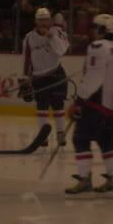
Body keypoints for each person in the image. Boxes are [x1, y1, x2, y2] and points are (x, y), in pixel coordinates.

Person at [66, 14, 113, 194]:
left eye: (94, 27)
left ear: (103, 30)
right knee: (107, 141)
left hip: (95, 102)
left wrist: (79, 101)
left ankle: (85, 179)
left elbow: (94, 77)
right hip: (111, 103)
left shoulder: (97, 47)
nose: (91, 30)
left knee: (80, 139)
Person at [20, 8, 70, 147]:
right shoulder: (29, 37)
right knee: (41, 107)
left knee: (58, 105)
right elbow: (27, 59)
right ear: (35, 21)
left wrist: (50, 37)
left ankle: (60, 133)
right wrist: (25, 77)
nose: (43, 23)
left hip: (56, 73)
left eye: (46, 20)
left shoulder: (56, 32)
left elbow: (62, 50)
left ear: (50, 20)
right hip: (38, 77)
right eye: (40, 20)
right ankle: (43, 136)